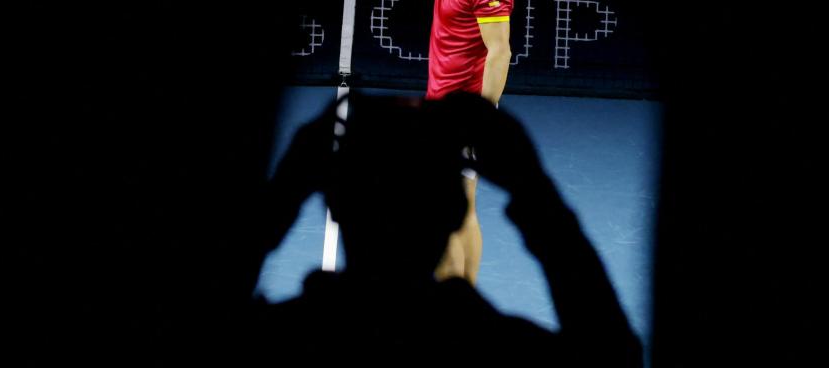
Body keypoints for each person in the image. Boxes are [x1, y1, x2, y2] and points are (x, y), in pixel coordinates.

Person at [248, 92, 642, 364]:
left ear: (331, 198)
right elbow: (612, 355)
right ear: (457, 209)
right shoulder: (497, 349)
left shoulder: (282, 339)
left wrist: (283, 192)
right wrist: (532, 184)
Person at [383, 0, 514, 284]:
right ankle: (467, 296)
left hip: (460, 114)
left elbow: (501, 52)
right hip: (448, 109)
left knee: (437, 215)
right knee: (463, 210)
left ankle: (445, 309)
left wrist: (481, 119)